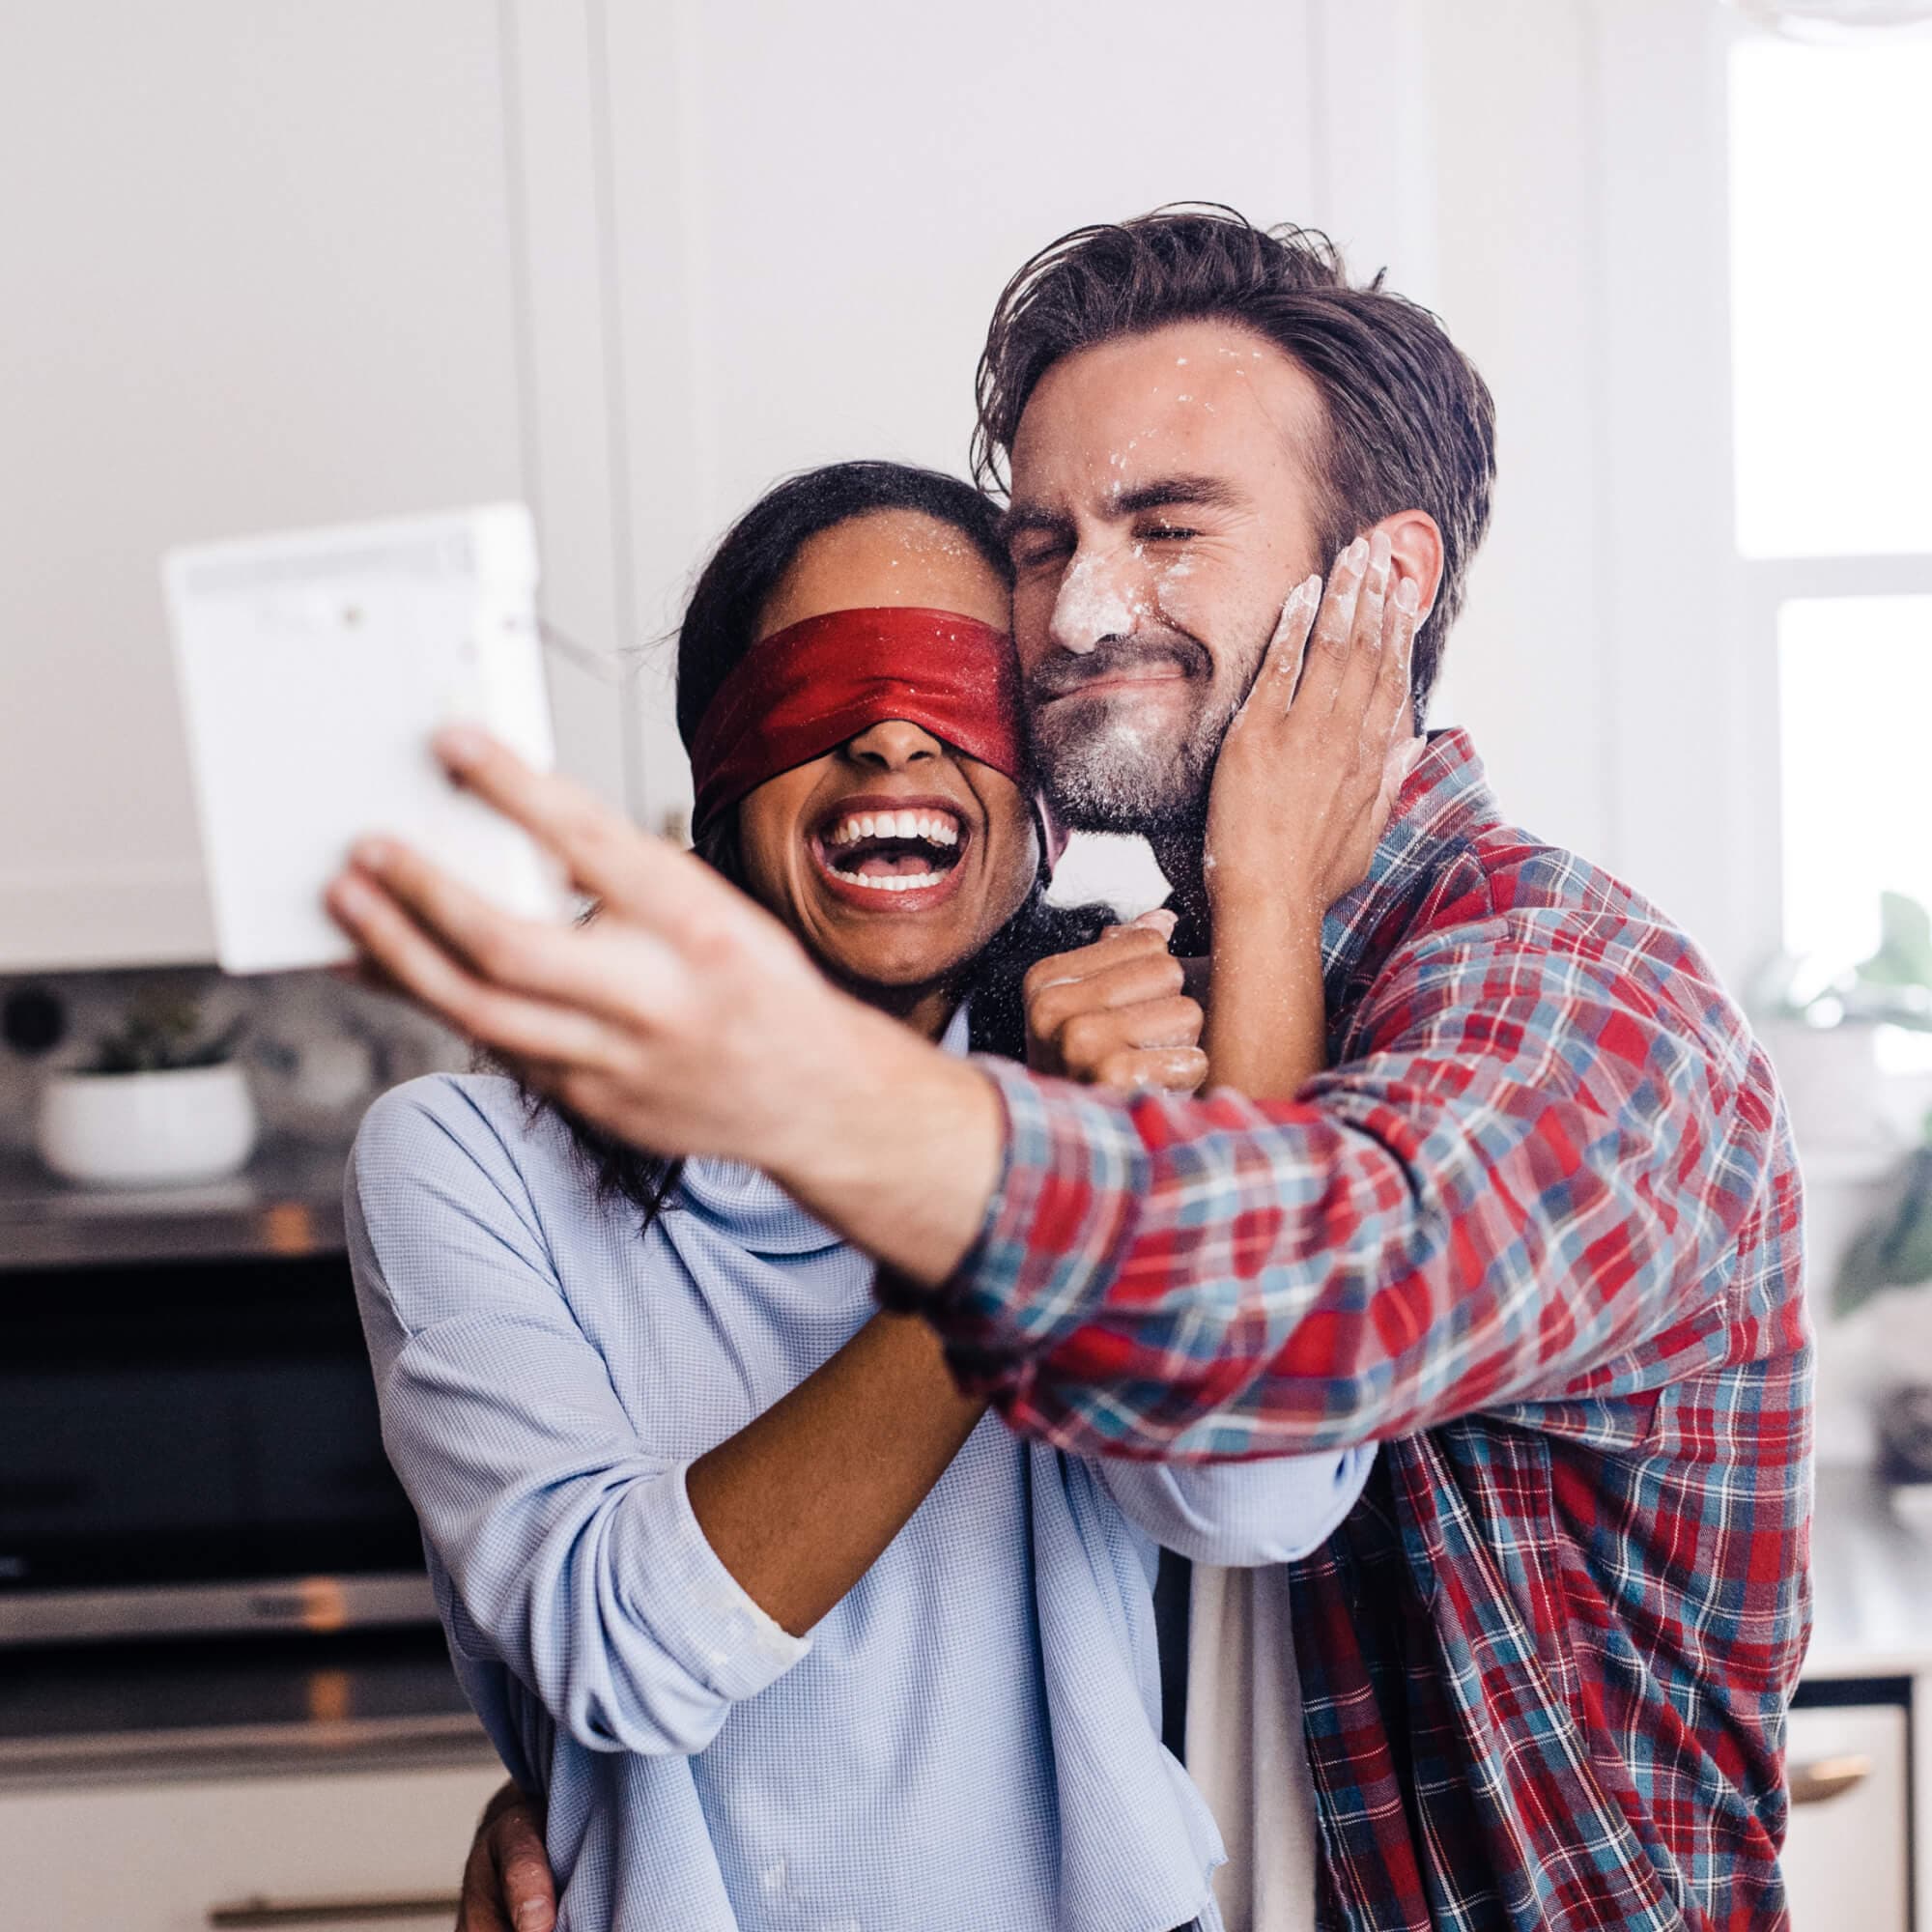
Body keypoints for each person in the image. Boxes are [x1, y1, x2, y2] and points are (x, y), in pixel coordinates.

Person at [331, 209, 1810, 1931]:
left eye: (1169, 525)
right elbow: (651, 1654)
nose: (1084, 610)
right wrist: (604, 1803)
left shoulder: (1567, 1008)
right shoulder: (1145, 1007)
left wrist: (943, 1096)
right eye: (1044, 545)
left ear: (1387, 580)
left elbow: (1262, 1397)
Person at [340, 459, 1392, 1932]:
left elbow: (1259, 1498)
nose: (894, 731)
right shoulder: (464, 1160)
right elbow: (619, 1651)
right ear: (723, 764)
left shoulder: (1134, 1088)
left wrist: (1102, 1142)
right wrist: (1022, 1202)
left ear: (1035, 783)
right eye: (819, 688)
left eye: (959, 684)